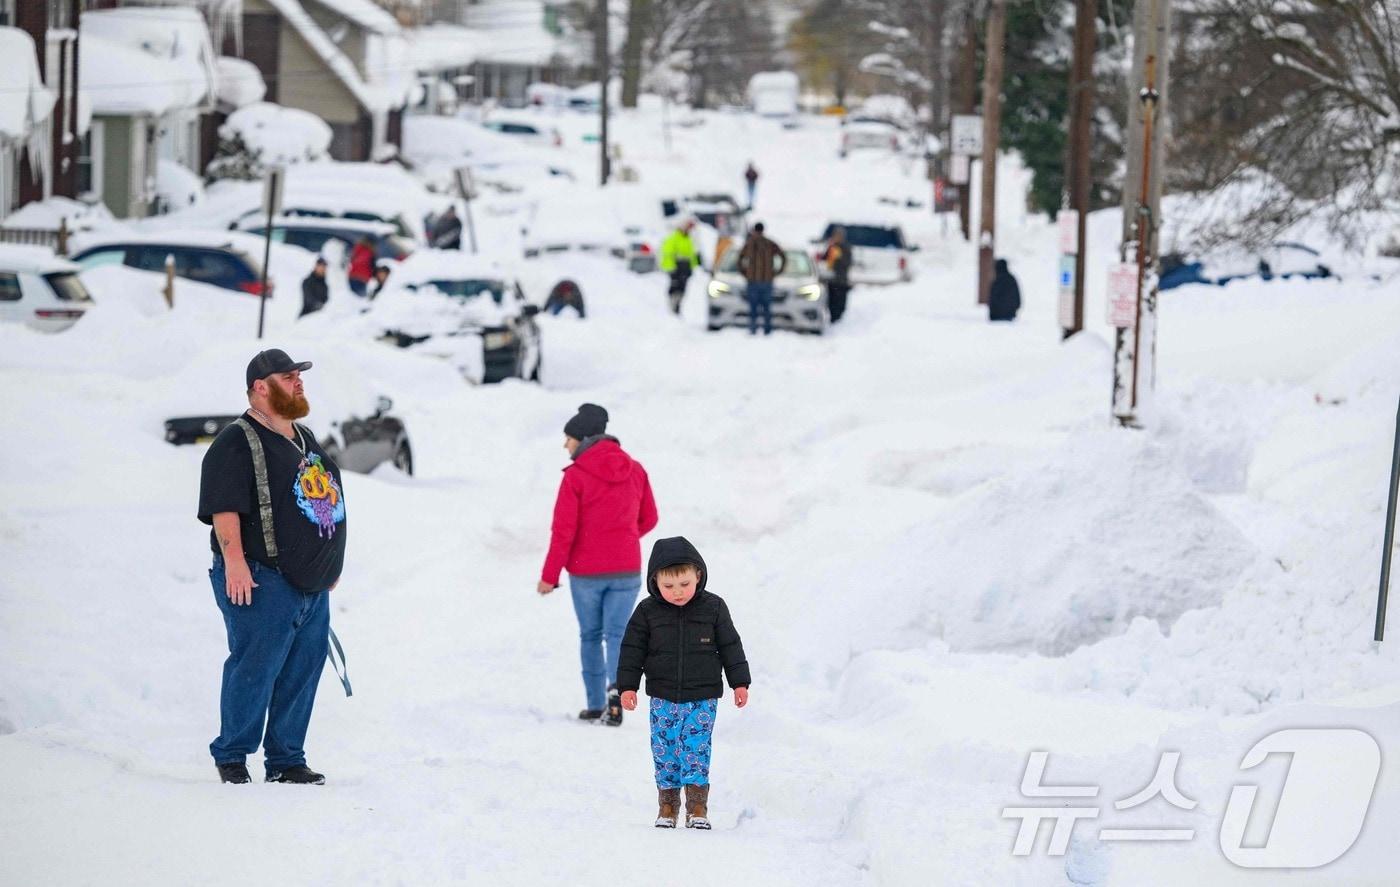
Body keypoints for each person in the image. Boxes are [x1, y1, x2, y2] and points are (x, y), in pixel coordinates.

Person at [197, 349, 348, 785]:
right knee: (256, 665)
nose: (299, 382)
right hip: (261, 578)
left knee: (303, 668)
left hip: (308, 584)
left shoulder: (302, 436)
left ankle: (286, 760)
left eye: (299, 376)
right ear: (260, 388)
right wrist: (235, 565)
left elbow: (322, 498)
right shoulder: (236, 441)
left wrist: (328, 560)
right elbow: (224, 509)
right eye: (288, 376)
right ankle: (232, 755)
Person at [617, 536, 750, 830]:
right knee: (664, 749)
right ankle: (667, 805)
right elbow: (632, 650)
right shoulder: (647, 612)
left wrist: (740, 682)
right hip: (663, 696)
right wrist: (628, 686)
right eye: (668, 587)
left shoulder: (714, 608)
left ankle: (697, 806)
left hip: (702, 697)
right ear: (655, 582)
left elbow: (731, 646)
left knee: (696, 748)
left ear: (698, 576)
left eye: (684, 584)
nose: (677, 592)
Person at [538, 404, 659, 727]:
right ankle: (616, 691)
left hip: (586, 573)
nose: (566, 446)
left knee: (591, 636)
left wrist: (549, 576)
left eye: (569, 439)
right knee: (617, 635)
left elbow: (563, 532)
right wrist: (625, 538)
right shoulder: (635, 470)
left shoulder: (575, 477)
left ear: (583, 438)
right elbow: (650, 518)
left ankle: (594, 705)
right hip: (627, 569)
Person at [737, 222, 786, 336]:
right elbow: (783, 256)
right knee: (766, 307)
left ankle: (753, 329)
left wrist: (746, 273)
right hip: (766, 281)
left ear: (754, 230)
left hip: (754, 281)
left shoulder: (749, 244)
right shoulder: (769, 243)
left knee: (753, 307)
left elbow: (739, 259)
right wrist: (776, 271)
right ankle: (767, 329)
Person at [659, 218, 701, 315]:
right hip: (676, 267)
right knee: (675, 287)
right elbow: (667, 254)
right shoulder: (673, 238)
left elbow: (692, 255)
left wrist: (692, 267)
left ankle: (678, 306)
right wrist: (671, 268)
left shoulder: (689, 239)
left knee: (683, 289)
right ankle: (672, 307)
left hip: (685, 268)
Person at [821, 227, 853, 323]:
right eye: (835, 235)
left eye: (838, 236)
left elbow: (847, 263)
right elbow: (824, 258)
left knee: (840, 303)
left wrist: (839, 257)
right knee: (831, 302)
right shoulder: (832, 247)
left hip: (841, 281)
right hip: (831, 280)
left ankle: (838, 321)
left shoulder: (846, 248)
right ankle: (833, 319)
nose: (836, 238)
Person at [988, 257, 1021, 322]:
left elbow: (992, 299)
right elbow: (1017, 297)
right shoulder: (1011, 279)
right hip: (1009, 315)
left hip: (997, 316)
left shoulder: (997, 281)